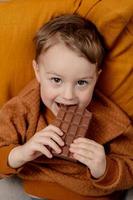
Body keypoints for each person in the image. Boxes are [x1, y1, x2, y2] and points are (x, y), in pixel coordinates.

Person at [0, 14, 133, 200]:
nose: (68, 96)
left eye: (81, 83)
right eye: (56, 80)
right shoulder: (22, 109)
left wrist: (105, 168)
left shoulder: (114, 121)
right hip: (33, 191)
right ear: (37, 72)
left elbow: (129, 167)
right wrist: (20, 153)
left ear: (96, 77)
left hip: (92, 195)